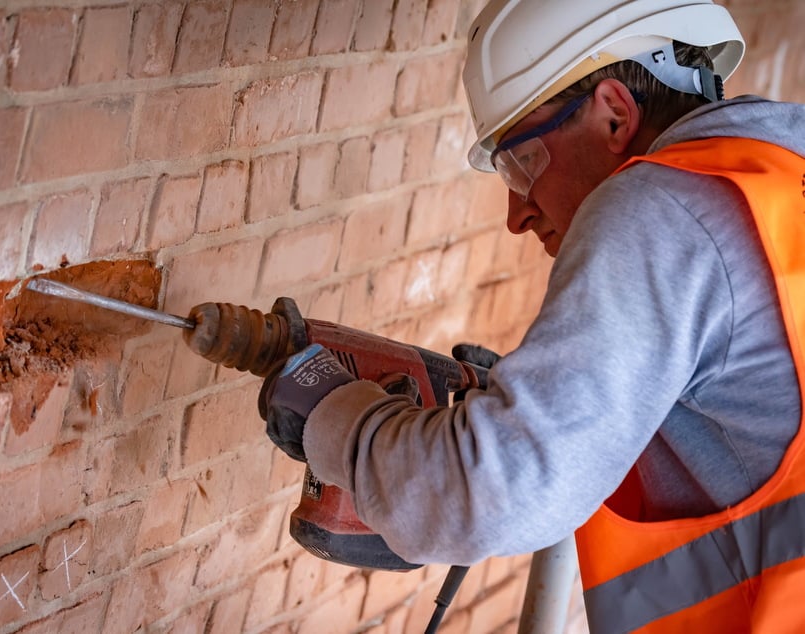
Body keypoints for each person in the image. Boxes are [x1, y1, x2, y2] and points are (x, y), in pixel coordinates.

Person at [260, 0, 805, 631]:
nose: (516, 215)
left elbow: (489, 495)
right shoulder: (777, 179)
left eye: (522, 163)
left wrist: (341, 419)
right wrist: (532, 401)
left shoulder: (664, 213)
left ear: (613, 116)